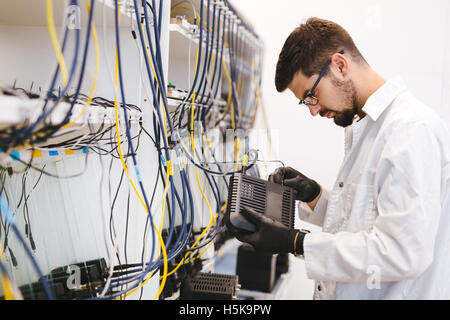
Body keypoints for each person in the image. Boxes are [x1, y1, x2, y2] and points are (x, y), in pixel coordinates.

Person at [228, 17, 450, 299]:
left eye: (311, 96)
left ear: (340, 66)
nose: (313, 110)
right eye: (306, 102)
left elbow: (401, 253)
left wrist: (296, 242)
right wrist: (315, 195)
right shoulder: (369, 126)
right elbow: (366, 219)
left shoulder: (410, 131)